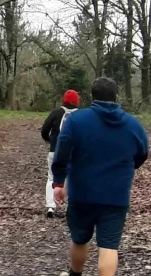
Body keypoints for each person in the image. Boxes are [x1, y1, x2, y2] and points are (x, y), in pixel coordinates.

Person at [52, 77, 148, 276]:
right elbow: (142, 153)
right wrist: (124, 170)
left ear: (92, 96)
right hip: (116, 195)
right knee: (109, 246)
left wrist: (59, 183)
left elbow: (62, 153)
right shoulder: (133, 125)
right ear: (116, 96)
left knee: (80, 239)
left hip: (82, 192)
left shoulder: (76, 121)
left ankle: (75, 274)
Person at [40, 89, 80, 218]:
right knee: (71, 178)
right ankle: (70, 207)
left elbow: (44, 130)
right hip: (73, 153)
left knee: (51, 177)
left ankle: (50, 206)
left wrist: (49, 140)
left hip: (54, 150)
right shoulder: (80, 115)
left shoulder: (56, 113)